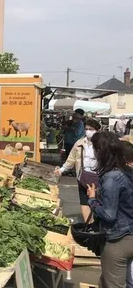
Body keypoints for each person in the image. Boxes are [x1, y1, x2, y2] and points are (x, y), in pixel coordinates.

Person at [87, 132, 133, 288]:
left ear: (100, 151)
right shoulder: (127, 171)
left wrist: (92, 201)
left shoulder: (112, 177)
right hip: (130, 235)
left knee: (113, 284)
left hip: (118, 240)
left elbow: (109, 214)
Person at [54, 118, 101, 223]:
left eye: (91, 129)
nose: (88, 131)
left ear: (97, 130)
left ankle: (99, 223)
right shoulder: (80, 143)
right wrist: (62, 169)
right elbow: (71, 158)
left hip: (99, 177)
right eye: (87, 129)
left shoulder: (102, 144)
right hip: (82, 177)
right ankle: (89, 225)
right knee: (84, 202)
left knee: (99, 202)